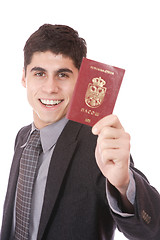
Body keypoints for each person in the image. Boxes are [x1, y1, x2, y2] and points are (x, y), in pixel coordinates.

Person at [1, 24, 160, 240]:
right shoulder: (23, 136)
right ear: (24, 78)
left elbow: (152, 230)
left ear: (81, 82)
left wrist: (123, 185)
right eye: (39, 73)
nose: (50, 88)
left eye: (63, 75)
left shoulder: (98, 144)